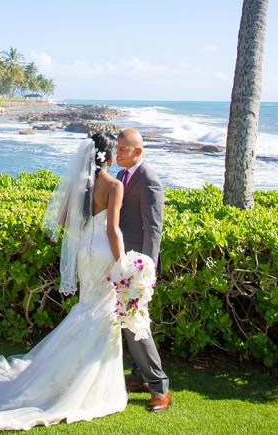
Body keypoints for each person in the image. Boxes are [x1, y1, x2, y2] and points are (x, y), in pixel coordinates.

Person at [0, 132, 128, 429]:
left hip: (86, 253)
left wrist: (86, 228)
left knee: (89, 305)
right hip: (105, 250)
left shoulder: (80, 184)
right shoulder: (114, 186)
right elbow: (113, 230)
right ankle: (87, 384)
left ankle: (65, 372)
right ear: (109, 157)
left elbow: (62, 220)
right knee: (104, 311)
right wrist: (124, 264)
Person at [116, 128, 171, 412]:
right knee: (127, 322)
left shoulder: (149, 180)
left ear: (137, 151)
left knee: (137, 324)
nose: (117, 155)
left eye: (122, 150)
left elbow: (153, 229)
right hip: (122, 263)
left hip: (138, 267)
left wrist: (145, 270)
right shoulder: (121, 176)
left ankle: (159, 386)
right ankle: (138, 377)